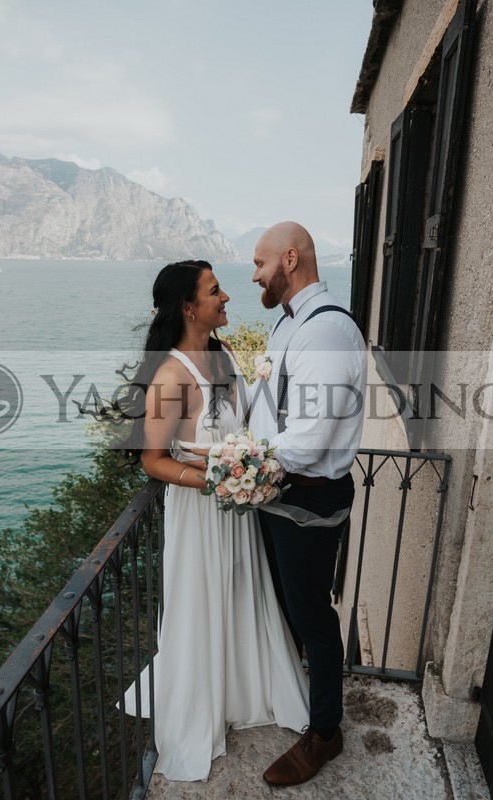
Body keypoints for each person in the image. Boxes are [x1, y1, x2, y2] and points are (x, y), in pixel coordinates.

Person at [120, 259, 309, 782]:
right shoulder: (170, 375)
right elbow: (153, 461)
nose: (226, 297)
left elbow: (243, 428)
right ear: (188, 307)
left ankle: (244, 689)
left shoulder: (222, 355)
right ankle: (201, 706)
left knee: (242, 591)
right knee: (203, 598)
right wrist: (214, 481)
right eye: (215, 291)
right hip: (201, 511)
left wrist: (249, 465)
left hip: (236, 508)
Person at [248, 222, 367, 786]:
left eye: (260, 263)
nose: (254, 275)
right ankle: (297, 696)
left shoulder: (326, 333)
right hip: (279, 490)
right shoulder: (288, 321)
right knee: (287, 607)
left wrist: (239, 465)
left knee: (312, 617)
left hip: (308, 499)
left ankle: (325, 732)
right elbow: (268, 405)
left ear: (290, 259)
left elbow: (311, 439)